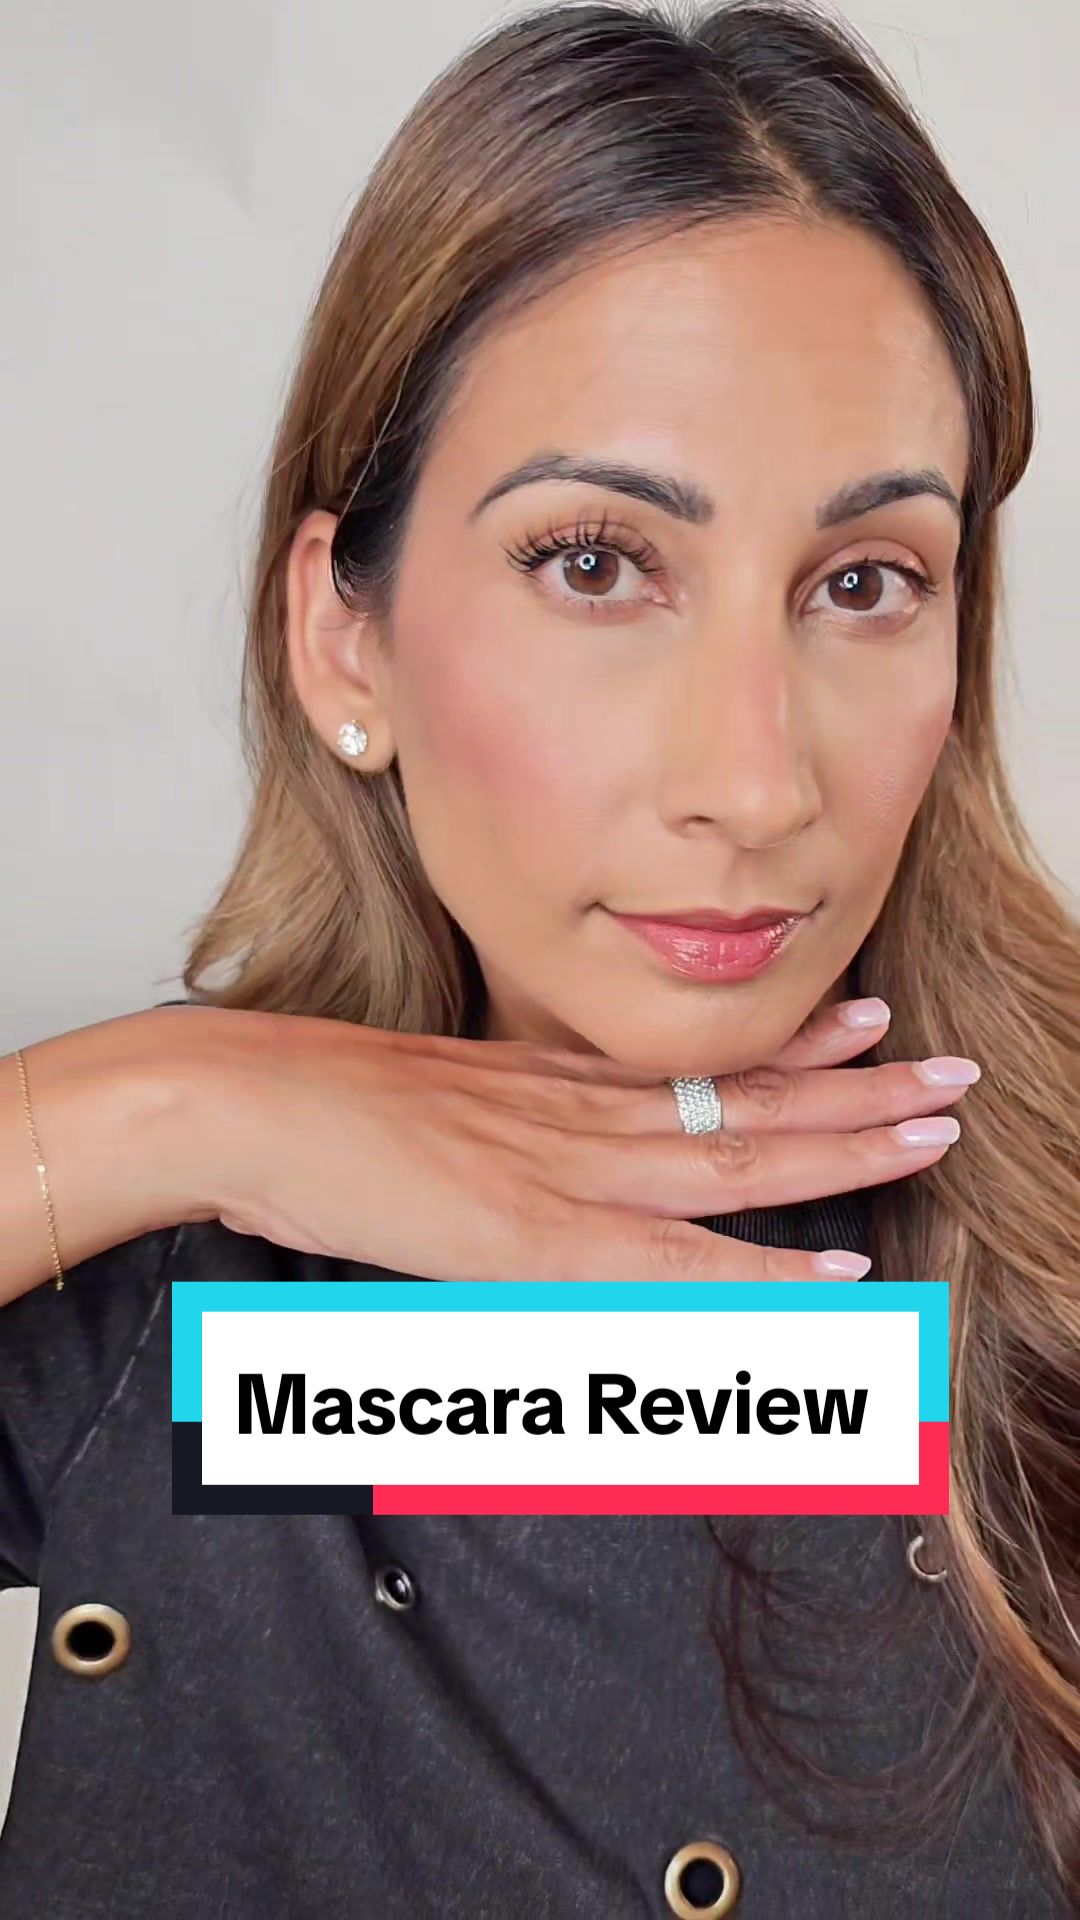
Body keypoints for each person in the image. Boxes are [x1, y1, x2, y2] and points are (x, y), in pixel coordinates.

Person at [1, 2, 1077, 1914]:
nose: (754, 783)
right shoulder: (151, 1278)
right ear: (345, 638)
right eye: (596, 562)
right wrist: (170, 1104)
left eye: (864, 583)